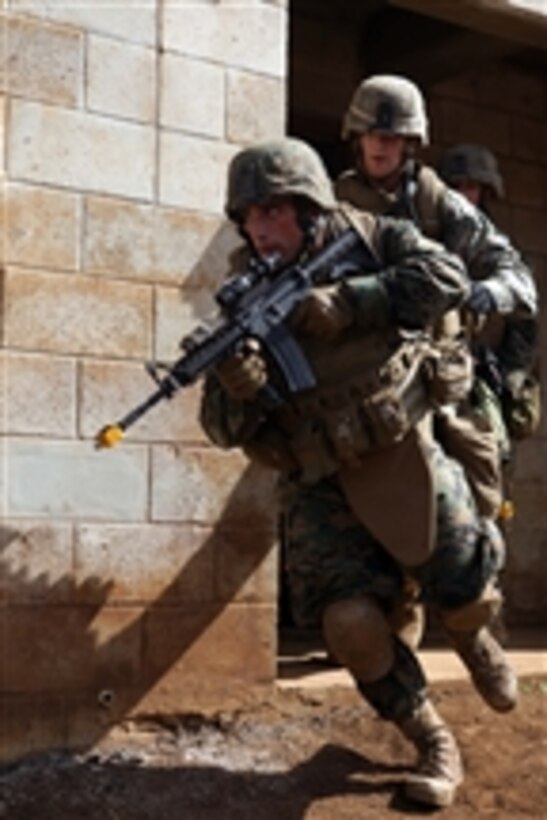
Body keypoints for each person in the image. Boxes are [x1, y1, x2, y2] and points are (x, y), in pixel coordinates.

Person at [199, 137, 517, 808]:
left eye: (273, 211)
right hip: (318, 479)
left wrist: (352, 302)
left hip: (398, 445)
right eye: (249, 216)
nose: (260, 228)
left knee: (465, 584)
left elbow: (448, 280)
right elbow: (224, 430)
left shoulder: (374, 235)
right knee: (349, 625)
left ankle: (471, 637)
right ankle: (431, 738)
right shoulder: (241, 293)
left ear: (311, 208)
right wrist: (237, 383)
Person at [335, 75, 539, 642]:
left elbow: (519, 282)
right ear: (356, 136)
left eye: (393, 135)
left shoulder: (437, 203)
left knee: (482, 481)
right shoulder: (332, 205)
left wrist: (480, 294)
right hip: (370, 381)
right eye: (372, 133)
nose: (380, 144)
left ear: (410, 142)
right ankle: (397, 625)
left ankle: (472, 614)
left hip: (445, 377)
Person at [438, 143, 541, 465]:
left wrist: (510, 375)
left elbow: (525, 322)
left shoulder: (499, 252)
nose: (463, 196)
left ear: (484, 192)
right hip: (429, 368)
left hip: (480, 374)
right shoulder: (426, 238)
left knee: (489, 460)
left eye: (471, 188)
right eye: (456, 187)